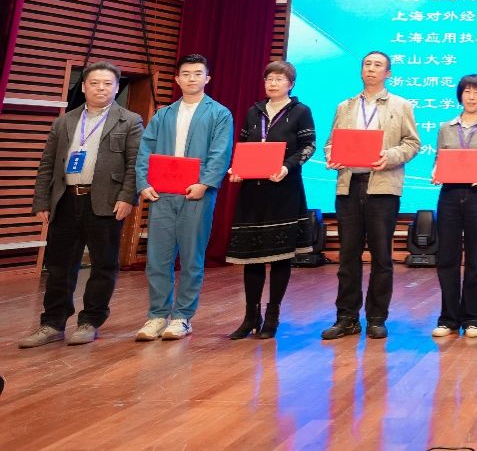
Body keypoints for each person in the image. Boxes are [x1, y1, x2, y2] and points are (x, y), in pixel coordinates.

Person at [19, 63, 143, 348]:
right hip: (65, 200)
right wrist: (41, 200)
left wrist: (127, 197)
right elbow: (47, 164)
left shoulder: (130, 120)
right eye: (95, 83)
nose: (101, 88)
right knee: (59, 265)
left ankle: (90, 321)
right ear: (84, 86)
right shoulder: (65, 121)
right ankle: (52, 323)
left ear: (116, 88)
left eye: (108, 83)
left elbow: (135, 164)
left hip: (106, 202)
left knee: (103, 264)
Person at [321, 51, 421, 341]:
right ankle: (346, 318)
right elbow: (331, 143)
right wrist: (332, 156)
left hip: (383, 187)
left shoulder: (401, 105)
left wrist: (390, 156)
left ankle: (377, 318)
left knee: (381, 257)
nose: (371, 69)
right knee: (348, 256)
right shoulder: (345, 106)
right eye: (367, 64)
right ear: (361, 70)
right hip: (349, 185)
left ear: (388, 73)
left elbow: (412, 143)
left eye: (378, 65)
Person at [133, 53, 234, 342]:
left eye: (197, 73)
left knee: (191, 257)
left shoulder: (219, 113)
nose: (192, 78)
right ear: (177, 79)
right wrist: (143, 183)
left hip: (196, 194)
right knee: (157, 257)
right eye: (186, 74)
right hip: (162, 194)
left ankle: (182, 317)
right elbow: (145, 150)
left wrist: (205, 183)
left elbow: (220, 152)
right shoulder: (163, 114)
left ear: (207, 78)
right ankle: (156, 315)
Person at [224, 60, 316, 340]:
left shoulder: (301, 111)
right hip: (253, 191)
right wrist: (237, 169)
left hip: (284, 190)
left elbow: (308, 146)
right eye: (269, 79)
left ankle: (272, 315)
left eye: (279, 79)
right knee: (252, 257)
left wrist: (287, 167)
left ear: (291, 84)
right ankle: (251, 316)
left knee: (280, 256)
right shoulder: (254, 111)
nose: (273, 83)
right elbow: (243, 146)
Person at [431, 74, 477, 339]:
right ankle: (448, 319)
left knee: (475, 260)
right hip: (450, 196)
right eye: (467, 91)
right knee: (447, 259)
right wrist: (436, 171)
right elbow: (439, 158)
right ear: (460, 95)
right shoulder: (446, 127)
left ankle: (472, 319)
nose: (472, 97)